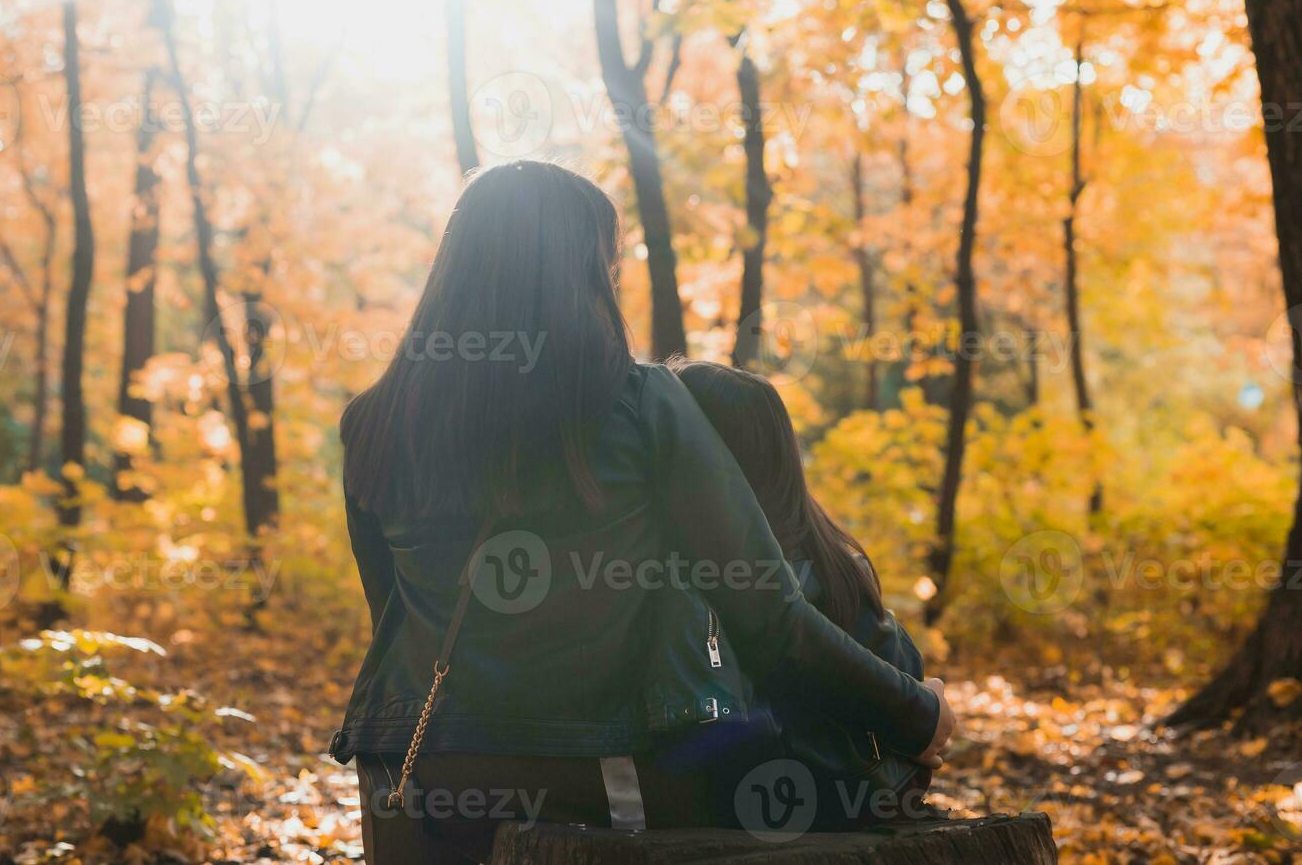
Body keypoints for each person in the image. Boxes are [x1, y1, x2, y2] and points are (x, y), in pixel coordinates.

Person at [329, 161, 954, 863]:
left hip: (422, 780)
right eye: (609, 266)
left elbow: (396, 619)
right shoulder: (642, 405)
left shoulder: (371, 424)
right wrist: (916, 711)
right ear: (581, 274)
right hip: (600, 779)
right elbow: (768, 614)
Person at [672, 360, 942, 827]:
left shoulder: (675, 568)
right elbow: (902, 685)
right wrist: (927, 704)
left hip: (729, 803)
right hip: (848, 802)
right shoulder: (834, 564)